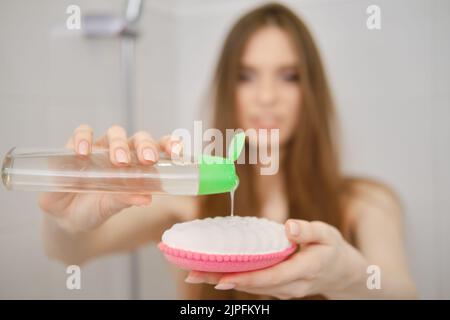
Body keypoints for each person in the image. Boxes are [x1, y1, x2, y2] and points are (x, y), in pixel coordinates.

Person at [38, 3, 417, 299]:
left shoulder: (366, 203)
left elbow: (403, 295)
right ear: (227, 89)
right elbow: (70, 253)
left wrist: (350, 278)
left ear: (311, 91)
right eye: (246, 76)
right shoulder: (186, 203)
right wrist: (68, 219)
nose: (266, 98)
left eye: (289, 76)